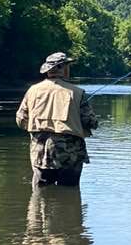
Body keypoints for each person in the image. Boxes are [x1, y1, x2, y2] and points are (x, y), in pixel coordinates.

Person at [16, 52, 98, 186]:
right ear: (62, 68)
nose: (69, 69)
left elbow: (20, 120)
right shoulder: (77, 93)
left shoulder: (32, 91)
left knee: (40, 194)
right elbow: (91, 122)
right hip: (70, 152)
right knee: (69, 192)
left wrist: (37, 129)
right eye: (68, 65)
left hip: (40, 150)